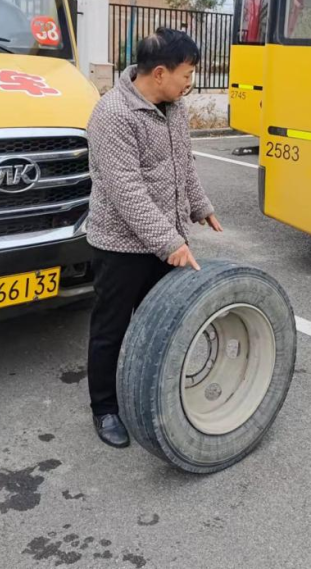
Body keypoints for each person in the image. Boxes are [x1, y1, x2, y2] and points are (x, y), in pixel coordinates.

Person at [85, 27, 222, 448]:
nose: (190, 82)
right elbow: (127, 191)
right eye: (186, 73)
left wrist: (201, 206)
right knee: (111, 329)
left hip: (166, 241)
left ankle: (148, 396)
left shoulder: (173, 106)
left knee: (160, 325)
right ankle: (105, 408)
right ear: (159, 72)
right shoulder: (113, 115)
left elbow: (184, 165)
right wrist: (172, 243)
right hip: (120, 245)